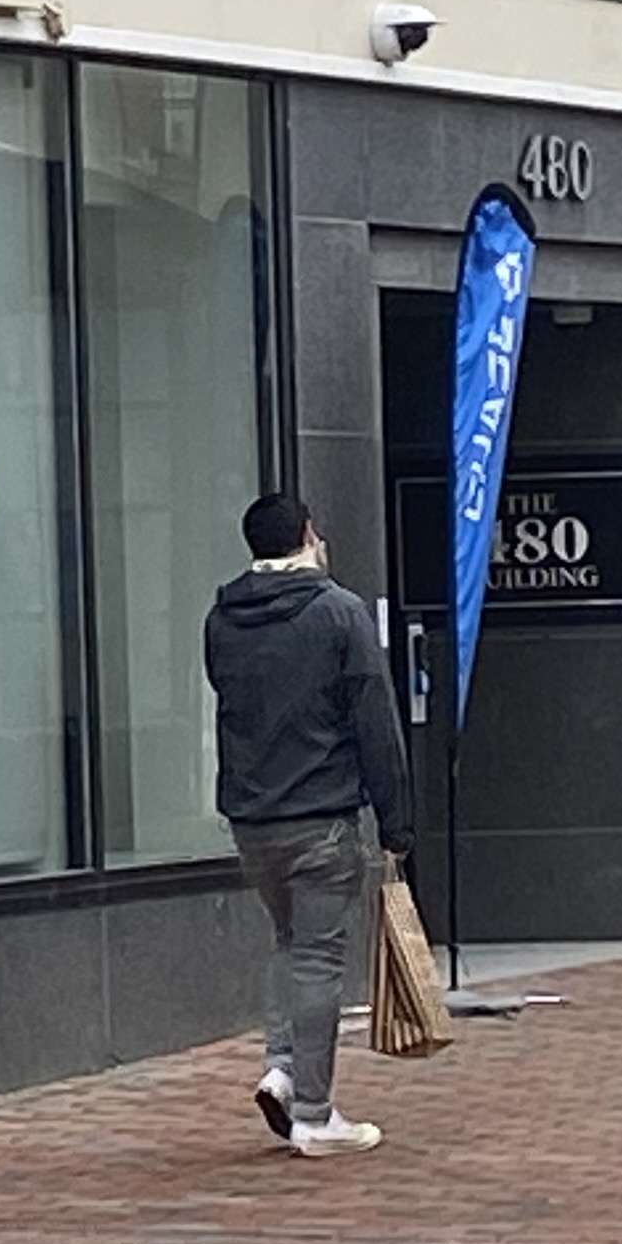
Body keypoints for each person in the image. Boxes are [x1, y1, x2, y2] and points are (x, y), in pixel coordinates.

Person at [202, 489, 415, 1158]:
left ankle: (283, 1067)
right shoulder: (338, 613)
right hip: (320, 815)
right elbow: (374, 721)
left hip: (251, 818)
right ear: (310, 536)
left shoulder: (222, 618)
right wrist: (396, 821)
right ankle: (316, 1113)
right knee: (320, 956)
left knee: (289, 942)